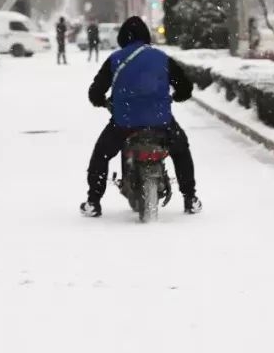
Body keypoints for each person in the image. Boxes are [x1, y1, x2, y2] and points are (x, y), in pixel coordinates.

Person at [81, 16, 202, 217]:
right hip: (160, 121)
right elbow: (185, 88)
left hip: (124, 122)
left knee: (101, 155)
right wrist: (176, 97)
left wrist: (103, 102)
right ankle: (190, 198)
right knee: (181, 151)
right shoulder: (162, 58)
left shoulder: (115, 59)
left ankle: (93, 201)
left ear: (122, 37)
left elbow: (95, 93)